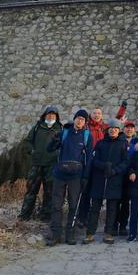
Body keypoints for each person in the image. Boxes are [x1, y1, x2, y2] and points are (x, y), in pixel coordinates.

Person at [46, 109, 93, 246]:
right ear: (75, 119)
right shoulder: (64, 133)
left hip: (76, 176)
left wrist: (85, 177)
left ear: (85, 122)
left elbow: (89, 158)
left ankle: (69, 234)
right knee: (56, 205)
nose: (80, 121)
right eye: (78, 118)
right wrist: (53, 141)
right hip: (60, 174)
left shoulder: (87, 136)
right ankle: (55, 235)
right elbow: (49, 149)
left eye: (83, 119)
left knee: (73, 205)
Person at [83, 119, 129, 245]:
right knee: (95, 208)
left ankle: (108, 233)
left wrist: (115, 170)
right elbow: (94, 160)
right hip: (99, 179)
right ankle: (90, 233)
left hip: (114, 180)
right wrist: (104, 166)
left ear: (118, 130)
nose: (113, 130)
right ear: (107, 130)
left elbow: (125, 162)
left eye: (115, 128)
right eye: (111, 128)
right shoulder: (100, 143)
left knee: (112, 209)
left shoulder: (123, 144)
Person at [18, 105, 63, 222]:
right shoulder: (37, 127)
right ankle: (24, 216)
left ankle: (46, 217)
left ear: (56, 117)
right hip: (36, 164)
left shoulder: (60, 129)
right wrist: (31, 151)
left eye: (53, 114)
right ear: (45, 115)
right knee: (31, 191)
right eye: (49, 114)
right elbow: (27, 141)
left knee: (49, 192)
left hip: (52, 165)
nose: (51, 116)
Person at [77, 108, 108, 227]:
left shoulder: (104, 128)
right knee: (84, 191)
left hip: (99, 162)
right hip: (86, 161)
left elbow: (116, 125)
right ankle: (82, 217)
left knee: (96, 192)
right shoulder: (86, 127)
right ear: (91, 115)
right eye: (94, 113)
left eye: (99, 113)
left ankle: (92, 218)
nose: (97, 115)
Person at [115, 121, 138, 237]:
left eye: (131, 128)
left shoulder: (137, 143)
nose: (129, 130)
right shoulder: (118, 140)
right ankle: (113, 225)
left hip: (130, 177)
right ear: (123, 129)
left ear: (134, 130)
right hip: (118, 175)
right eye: (127, 128)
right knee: (114, 201)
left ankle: (123, 226)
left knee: (125, 203)